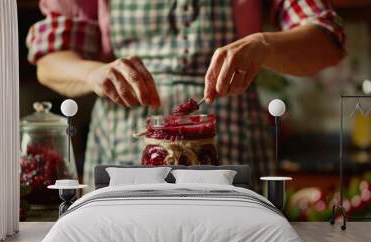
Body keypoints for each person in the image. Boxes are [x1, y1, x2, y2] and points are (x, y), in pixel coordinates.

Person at [26, 0, 345, 190]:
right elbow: (51, 59)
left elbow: (327, 39)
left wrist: (265, 45)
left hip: (235, 152)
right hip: (122, 149)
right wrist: (93, 73)